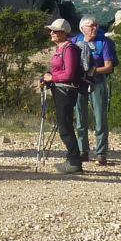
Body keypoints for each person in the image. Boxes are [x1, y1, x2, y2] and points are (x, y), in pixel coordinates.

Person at [71, 17, 116, 165]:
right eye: (91, 26)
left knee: (100, 118)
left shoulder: (104, 42)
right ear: (82, 28)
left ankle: (101, 153)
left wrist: (93, 71)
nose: (95, 28)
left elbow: (109, 67)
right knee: (80, 118)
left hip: (98, 82)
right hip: (79, 83)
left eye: (96, 25)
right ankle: (82, 151)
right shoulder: (75, 42)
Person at [40, 18, 83, 174]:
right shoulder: (61, 48)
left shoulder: (69, 49)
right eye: (51, 30)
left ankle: (74, 162)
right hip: (60, 90)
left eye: (55, 31)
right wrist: (49, 76)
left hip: (66, 91)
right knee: (64, 125)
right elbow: (61, 71)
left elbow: (70, 74)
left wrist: (52, 78)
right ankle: (72, 159)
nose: (51, 33)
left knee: (65, 127)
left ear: (64, 33)